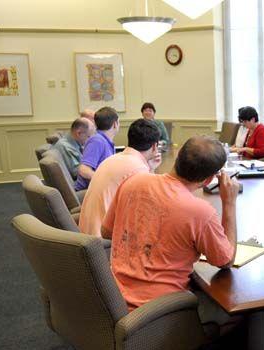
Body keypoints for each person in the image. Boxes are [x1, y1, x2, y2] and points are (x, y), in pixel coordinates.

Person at [101, 135, 239, 329]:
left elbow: (106, 232)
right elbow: (225, 261)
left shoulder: (132, 182)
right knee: (235, 313)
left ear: (177, 159)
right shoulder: (200, 211)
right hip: (157, 314)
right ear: (208, 180)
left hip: (112, 300)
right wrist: (229, 203)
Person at [78, 119, 163, 236]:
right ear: (154, 146)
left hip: (87, 235)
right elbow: (149, 206)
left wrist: (150, 168)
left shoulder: (115, 158)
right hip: (103, 241)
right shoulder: (138, 168)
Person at [74, 107, 119, 191]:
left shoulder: (103, 140)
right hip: (87, 191)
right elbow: (83, 170)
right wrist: (105, 180)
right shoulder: (97, 141)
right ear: (115, 124)